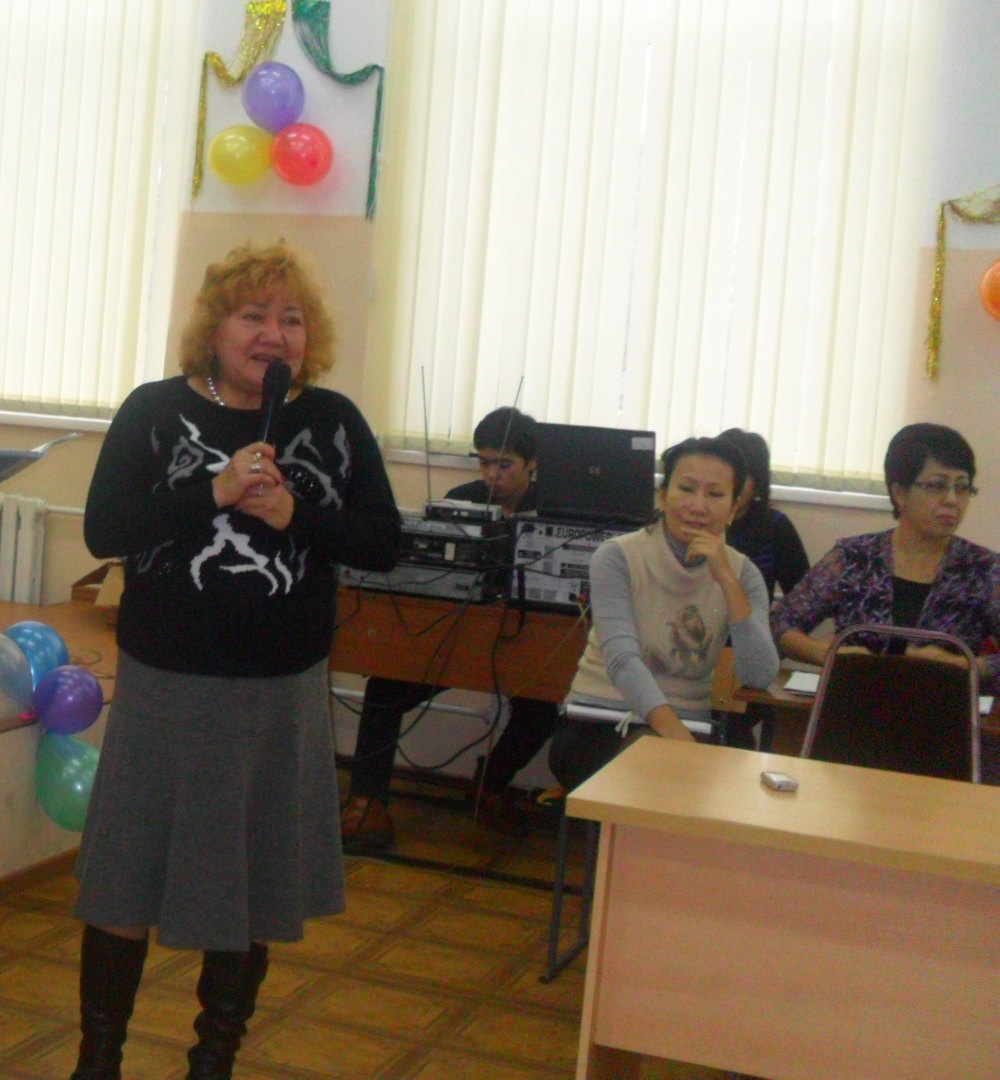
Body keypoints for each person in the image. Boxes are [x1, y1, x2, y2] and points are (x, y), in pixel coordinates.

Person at [71, 242, 401, 1080]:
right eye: (253, 316)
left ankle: (213, 1059)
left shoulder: (333, 421)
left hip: (278, 695)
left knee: (250, 885)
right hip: (166, 686)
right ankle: (97, 1061)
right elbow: (106, 529)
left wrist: (297, 516)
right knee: (125, 878)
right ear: (214, 328)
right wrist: (212, 491)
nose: (272, 336)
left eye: (290, 319)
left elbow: (383, 541)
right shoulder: (153, 410)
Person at [341, 406, 560, 851]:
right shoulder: (461, 498)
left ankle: (490, 785)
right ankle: (366, 803)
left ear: (532, 462)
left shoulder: (555, 506)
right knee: (384, 690)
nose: (492, 474)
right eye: (484, 462)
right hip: (458, 635)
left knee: (541, 706)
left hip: (522, 637)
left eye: (504, 464)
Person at [549, 436, 779, 790]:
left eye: (715, 495)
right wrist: (680, 742)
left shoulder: (743, 574)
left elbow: (759, 675)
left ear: (734, 508)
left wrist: (726, 580)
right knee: (658, 769)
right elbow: (623, 661)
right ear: (662, 495)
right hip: (601, 718)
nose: (697, 506)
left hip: (692, 726)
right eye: (685, 489)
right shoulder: (616, 556)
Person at [773, 422, 1000, 693]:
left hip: (943, 710)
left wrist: (967, 665)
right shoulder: (853, 557)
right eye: (937, 486)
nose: (952, 499)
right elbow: (780, 623)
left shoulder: (984, 569)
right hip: (853, 704)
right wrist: (827, 653)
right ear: (899, 493)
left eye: (962, 488)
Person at [717, 428, 810, 599]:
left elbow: (803, 599)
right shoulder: (691, 518)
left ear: (757, 482)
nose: (729, 484)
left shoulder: (776, 526)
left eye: (741, 476)